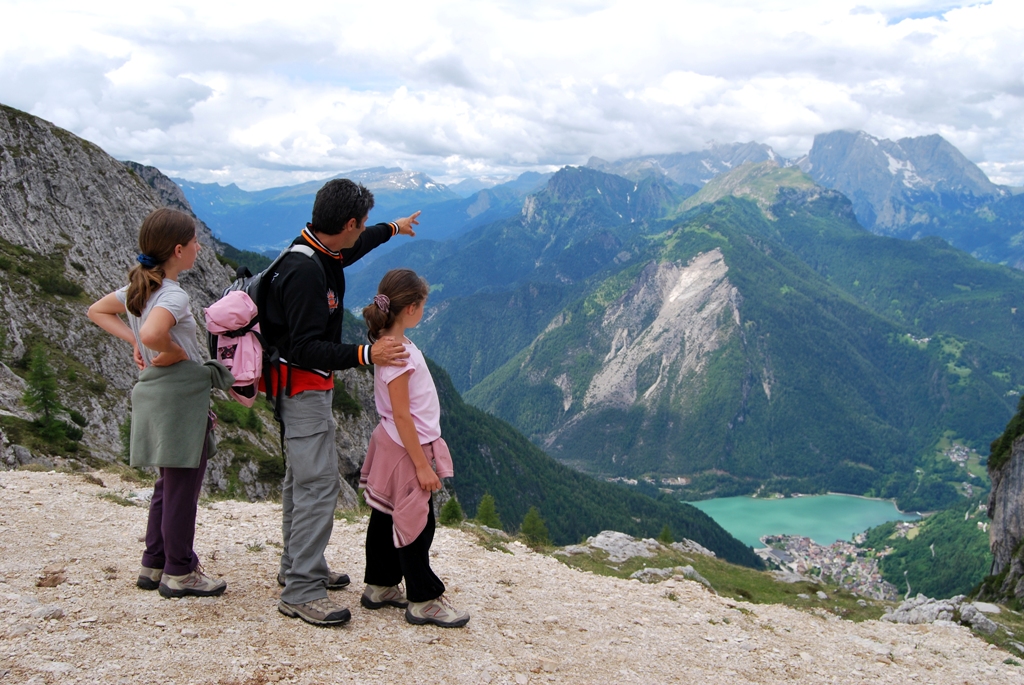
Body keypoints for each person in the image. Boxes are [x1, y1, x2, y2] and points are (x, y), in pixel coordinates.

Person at [261, 179, 417, 627]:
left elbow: (358, 245)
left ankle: (297, 564)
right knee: (318, 485)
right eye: (362, 223)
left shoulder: (321, 249)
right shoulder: (306, 272)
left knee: (301, 479)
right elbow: (306, 347)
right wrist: (366, 354)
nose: (363, 229)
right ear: (347, 223)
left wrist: (394, 228)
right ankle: (302, 589)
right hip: (302, 389)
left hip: (302, 388)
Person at [87, 207, 233, 599]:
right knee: (182, 490)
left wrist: (134, 340)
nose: (200, 248)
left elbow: (96, 311)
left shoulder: (139, 289)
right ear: (179, 250)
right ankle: (180, 572)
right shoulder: (172, 294)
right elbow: (154, 334)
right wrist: (166, 349)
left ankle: (154, 562)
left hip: (155, 396)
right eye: (195, 242)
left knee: (167, 485)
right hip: (181, 401)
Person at [359, 269, 469, 628]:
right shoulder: (399, 354)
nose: (424, 310)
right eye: (423, 305)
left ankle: (380, 585)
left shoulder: (390, 343)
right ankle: (423, 599)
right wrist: (422, 465)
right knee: (417, 521)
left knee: (386, 513)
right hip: (407, 447)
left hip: (391, 442)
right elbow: (403, 415)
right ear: (410, 309)